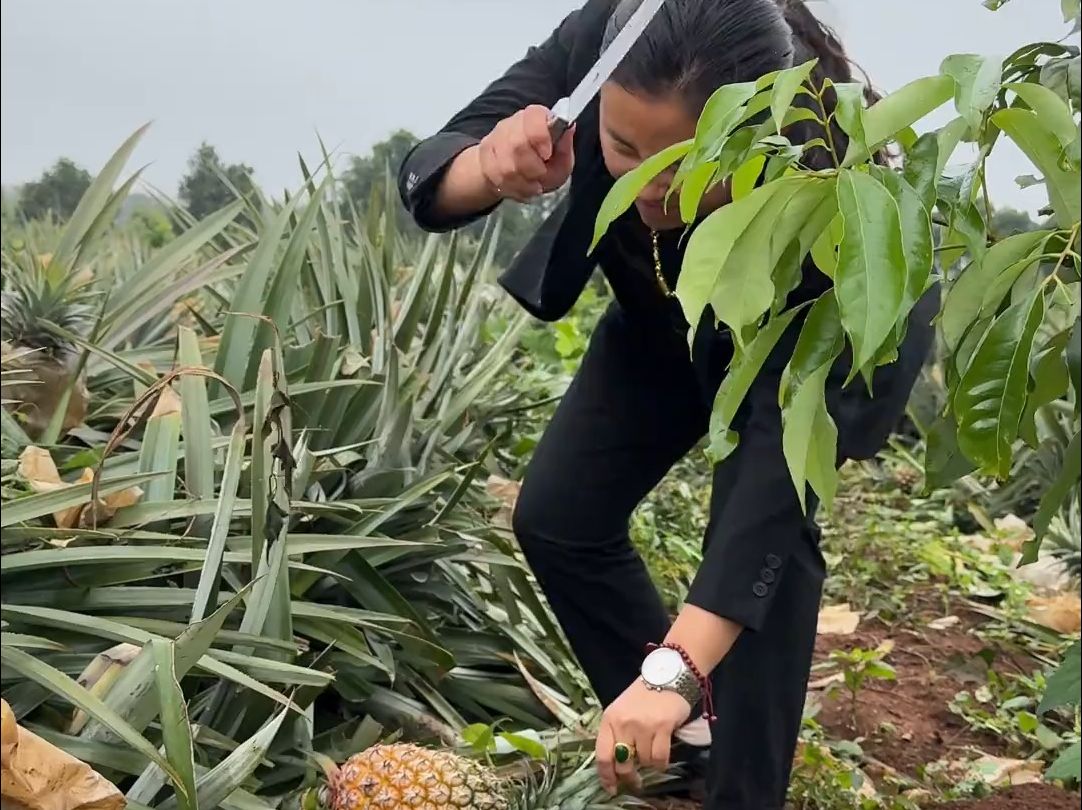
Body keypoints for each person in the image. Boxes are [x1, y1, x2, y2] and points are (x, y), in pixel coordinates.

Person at [397, 1, 937, 807]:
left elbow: (772, 479)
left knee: (760, 558)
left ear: (758, 130)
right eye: (621, 146)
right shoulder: (610, 39)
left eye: (686, 165)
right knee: (557, 516)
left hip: (788, 349)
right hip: (659, 322)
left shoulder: (825, 176)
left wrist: (675, 663)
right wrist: (489, 163)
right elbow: (428, 172)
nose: (647, 183)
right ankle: (680, 741)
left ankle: (741, 791)